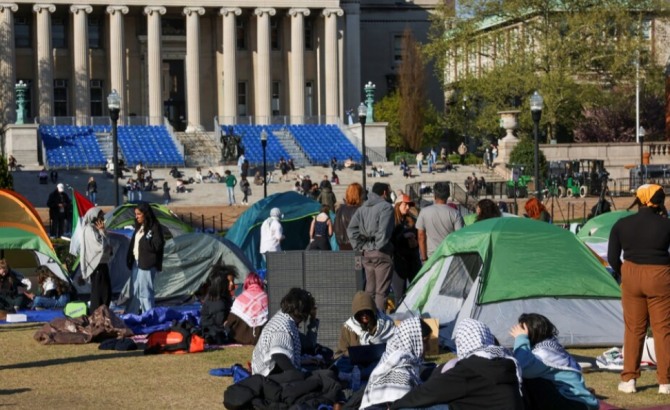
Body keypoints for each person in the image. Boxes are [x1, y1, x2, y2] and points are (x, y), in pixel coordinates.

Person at [608, 184, 670, 395]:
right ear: (660, 202)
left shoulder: (621, 224)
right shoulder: (666, 225)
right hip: (660, 275)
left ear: (639, 199)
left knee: (634, 329)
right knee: (663, 329)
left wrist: (624, 273)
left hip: (631, 274)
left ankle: (629, 380)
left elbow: (612, 256)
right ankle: (665, 382)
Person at [389, 318, 524, 410]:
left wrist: (396, 405)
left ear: (462, 342)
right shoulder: (505, 360)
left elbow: (429, 392)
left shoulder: (468, 368)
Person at [510, 313, 599, 410]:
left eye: (522, 332)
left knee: (527, 380)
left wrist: (521, 338)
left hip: (574, 404)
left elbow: (521, 367)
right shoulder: (550, 347)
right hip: (577, 402)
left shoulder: (544, 353)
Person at [360, 317, 432, 409]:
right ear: (412, 340)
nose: (429, 348)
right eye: (425, 342)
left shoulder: (391, 359)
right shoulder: (401, 371)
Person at [347, 182, 395, 311]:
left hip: (366, 253)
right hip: (381, 252)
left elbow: (351, 229)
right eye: (389, 192)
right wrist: (377, 245)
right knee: (381, 292)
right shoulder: (386, 207)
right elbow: (384, 232)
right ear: (384, 193)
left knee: (370, 290)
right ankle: (378, 323)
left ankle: (366, 320)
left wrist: (360, 246)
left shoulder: (362, 208)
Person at [251, 287, 315, 377]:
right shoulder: (282, 328)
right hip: (268, 378)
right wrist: (298, 376)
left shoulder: (284, 317)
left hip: (268, 373)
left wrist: (302, 361)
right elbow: (279, 355)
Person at [334, 291, 396, 377]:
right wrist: (354, 354)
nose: (364, 315)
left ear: (373, 311)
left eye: (367, 312)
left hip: (379, 362)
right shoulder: (348, 327)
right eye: (360, 313)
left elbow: (395, 347)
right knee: (341, 364)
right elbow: (339, 354)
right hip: (355, 365)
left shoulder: (386, 324)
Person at [125, 202, 165, 314]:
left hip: (147, 265)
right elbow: (134, 244)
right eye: (135, 214)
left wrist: (146, 243)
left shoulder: (154, 227)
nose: (136, 216)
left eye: (139, 214)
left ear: (145, 214)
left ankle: (149, 315)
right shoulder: (139, 227)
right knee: (135, 292)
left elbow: (158, 244)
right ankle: (132, 315)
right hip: (137, 263)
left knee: (145, 293)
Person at [416, 182, 464, 263]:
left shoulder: (424, 212)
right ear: (448, 195)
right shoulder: (455, 213)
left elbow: (421, 236)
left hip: (431, 257)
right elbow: (459, 237)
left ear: (434, 195)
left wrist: (424, 258)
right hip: (449, 256)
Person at [80, 207, 114, 312]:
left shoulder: (96, 229)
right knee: (100, 294)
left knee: (106, 292)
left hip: (102, 264)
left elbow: (108, 244)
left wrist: (102, 231)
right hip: (97, 265)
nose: (102, 220)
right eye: (100, 218)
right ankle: (96, 316)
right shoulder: (89, 230)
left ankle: (102, 315)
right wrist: (102, 232)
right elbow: (100, 246)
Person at [391, 195, 421, 302]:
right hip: (398, 261)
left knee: (416, 291)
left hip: (412, 260)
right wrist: (403, 236)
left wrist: (414, 241)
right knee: (399, 295)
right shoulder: (391, 220)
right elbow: (390, 240)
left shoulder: (412, 220)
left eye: (409, 205)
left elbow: (418, 238)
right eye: (405, 204)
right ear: (398, 205)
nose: (408, 207)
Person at [225, 272, 269, 345]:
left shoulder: (240, 298)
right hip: (262, 337)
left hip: (240, 338)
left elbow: (230, 321)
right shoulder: (266, 298)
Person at [200, 264, 236, 344]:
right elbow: (220, 323)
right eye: (229, 281)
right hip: (214, 332)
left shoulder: (223, 296)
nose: (232, 284)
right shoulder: (218, 303)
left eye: (233, 281)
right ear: (220, 282)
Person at [334, 182, 364, 251]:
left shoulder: (340, 209)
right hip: (357, 248)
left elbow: (335, 228)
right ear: (359, 195)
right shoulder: (359, 210)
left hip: (342, 247)